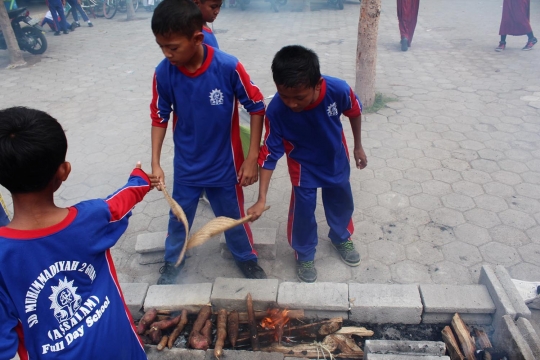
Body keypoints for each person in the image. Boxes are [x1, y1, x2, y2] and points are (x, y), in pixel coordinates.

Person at [0, 106, 158, 360]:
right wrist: (139, 179)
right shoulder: (90, 219)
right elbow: (119, 203)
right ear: (64, 171)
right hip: (122, 349)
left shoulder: (2, 255)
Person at [150, 0, 267, 284]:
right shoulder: (164, 72)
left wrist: (251, 158)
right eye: (161, 46)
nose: (167, 54)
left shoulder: (228, 67)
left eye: (173, 47)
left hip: (224, 165)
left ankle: (245, 258)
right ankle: (173, 260)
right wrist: (155, 162)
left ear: (197, 38)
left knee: (231, 216)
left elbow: (257, 106)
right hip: (187, 165)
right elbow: (159, 116)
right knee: (179, 217)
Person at [247, 45, 368, 283]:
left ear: (317, 84)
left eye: (299, 97)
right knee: (303, 212)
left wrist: (358, 146)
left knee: (341, 201)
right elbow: (269, 155)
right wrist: (261, 198)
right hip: (303, 167)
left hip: (335, 158)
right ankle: (304, 253)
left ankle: (341, 237)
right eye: (284, 96)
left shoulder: (338, 89)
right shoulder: (277, 112)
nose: (291, 104)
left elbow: (354, 111)